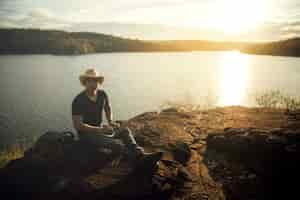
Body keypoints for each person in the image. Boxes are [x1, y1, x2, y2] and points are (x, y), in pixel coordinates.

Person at [71, 68, 162, 164]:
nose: (93, 83)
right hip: (87, 135)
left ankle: (140, 154)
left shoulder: (102, 94)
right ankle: (135, 158)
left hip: (100, 130)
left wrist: (110, 121)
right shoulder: (79, 100)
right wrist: (100, 130)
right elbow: (78, 126)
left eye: (96, 80)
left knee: (125, 131)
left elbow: (107, 107)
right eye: (90, 80)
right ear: (85, 82)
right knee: (118, 145)